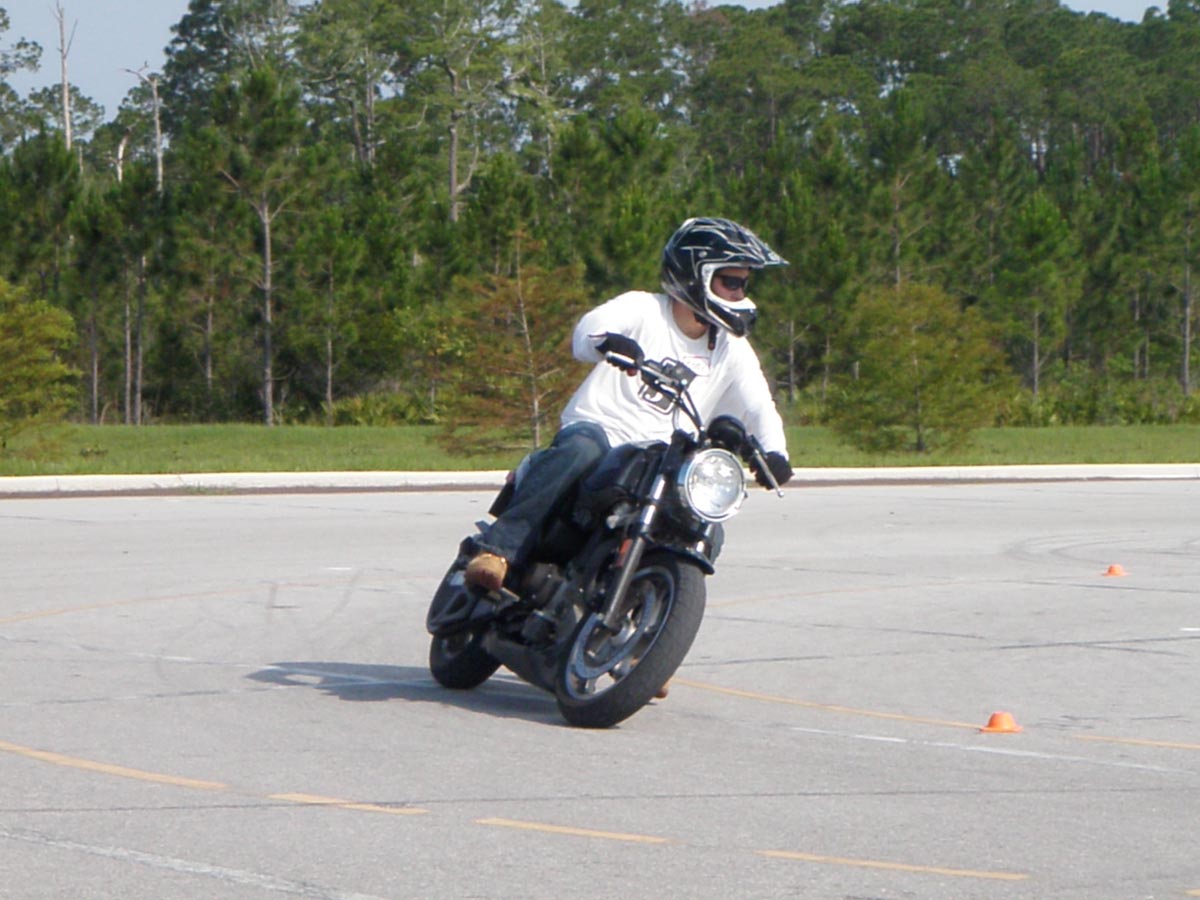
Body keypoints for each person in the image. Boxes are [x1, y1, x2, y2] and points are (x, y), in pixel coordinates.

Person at [464, 216, 795, 592]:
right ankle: (497, 551)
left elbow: (758, 405)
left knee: (705, 519)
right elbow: (587, 331)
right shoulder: (643, 309)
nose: (738, 293)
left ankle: (645, 599)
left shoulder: (731, 348)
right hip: (600, 430)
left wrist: (775, 453)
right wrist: (607, 341)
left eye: (743, 284)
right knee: (579, 451)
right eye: (730, 282)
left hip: (663, 457)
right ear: (695, 274)